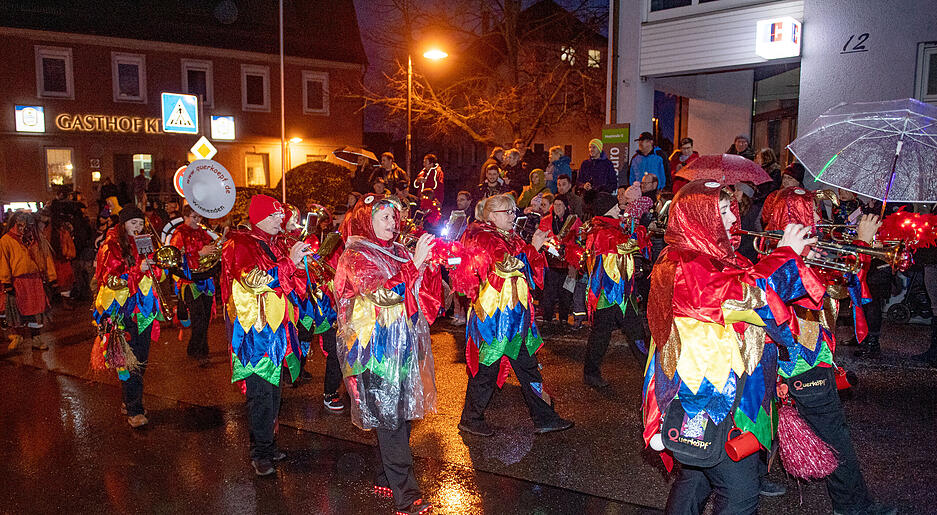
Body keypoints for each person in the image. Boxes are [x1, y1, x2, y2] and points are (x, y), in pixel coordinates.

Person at [642, 180, 824, 515]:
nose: (731, 220)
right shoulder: (683, 261)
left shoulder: (718, 257)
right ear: (700, 217)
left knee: (696, 478)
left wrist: (799, 263)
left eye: (730, 210)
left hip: (734, 393)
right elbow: (747, 296)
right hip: (713, 397)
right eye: (721, 212)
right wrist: (785, 255)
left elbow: (763, 296)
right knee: (740, 497)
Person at [760, 187, 896, 515]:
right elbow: (832, 286)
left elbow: (839, 286)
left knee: (771, 421)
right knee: (835, 433)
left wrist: (864, 247)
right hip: (802, 361)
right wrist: (862, 243)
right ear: (796, 218)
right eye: (812, 213)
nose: (820, 219)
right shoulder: (792, 258)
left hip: (799, 358)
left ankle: (748, 479)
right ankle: (853, 507)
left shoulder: (783, 252)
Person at [333, 194, 440, 515]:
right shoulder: (356, 254)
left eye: (394, 217)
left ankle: (385, 475)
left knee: (402, 414)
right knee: (391, 416)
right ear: (368, 221)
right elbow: (380, 294)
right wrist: (415, 266)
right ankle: (406, 497)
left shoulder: (398, 251)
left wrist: (432, 267)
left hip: (404, 343)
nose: (393, 223)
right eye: (384, 218)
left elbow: (421, 294)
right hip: (375, 348)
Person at [451, 194, 574, 437]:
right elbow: (505, 266)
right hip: (494, 318)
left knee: (526, 369)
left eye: (513, 211)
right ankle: (471, 418)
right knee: (486, 370)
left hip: (514, 317)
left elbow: (526, 268)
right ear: (491, 216)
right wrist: (533, 248)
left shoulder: (506, 236)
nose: (513, 216)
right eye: (507, 212)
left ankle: (543, 417)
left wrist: (537, 248)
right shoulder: (484, 237)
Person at [220, 194, 314, 476]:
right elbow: (254, 280)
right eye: (273, 216)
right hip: (254, 334)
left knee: (274, 391)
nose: (279, 220)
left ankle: (268, 444)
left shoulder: (271, 243)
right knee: (260, 394)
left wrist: (298, 267)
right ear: (258, 217)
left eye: (279, 216)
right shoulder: (240, 243)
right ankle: (260, 452)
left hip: (277, 330)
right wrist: (290, 263)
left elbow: (288, 284)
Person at [92, 206, 165, 428]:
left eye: (140, 223)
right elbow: (111, 280)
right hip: (120, 310)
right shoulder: (110, 246)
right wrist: (137, 269)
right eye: (133, 223)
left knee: (140, 360)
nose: (138, 227)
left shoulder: (145, 241)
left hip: (143, 309)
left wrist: (157, 266)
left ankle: (129, 400)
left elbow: (157, 276)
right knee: (128, 361)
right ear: (123, 224)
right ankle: (134, 409)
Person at [581, 187, 651, 388]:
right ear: (606, 210)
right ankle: (591, 372)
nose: (618, 209)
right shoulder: (601, 231)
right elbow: (625, 247)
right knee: (602, 334)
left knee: (634, 330)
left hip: (622, 292)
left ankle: (649, 370)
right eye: (615, 207)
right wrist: (639, 230)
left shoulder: (611, 227)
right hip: (608, 293)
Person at [170, 206, 219, 367]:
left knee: (205, 317)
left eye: (199, 217)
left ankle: (197, 347)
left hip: (205, 279)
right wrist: (199, 253)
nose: (197, 220)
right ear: (185, 216)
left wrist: (217, 247)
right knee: (198, 316)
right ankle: (199, 350)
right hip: (189, 282)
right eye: (193, 217)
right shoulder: (179, 233)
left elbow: (210, 251)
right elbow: (175, 257)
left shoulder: (202, 231)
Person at [2, 212, 56, 351]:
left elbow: (46, 258)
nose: (23, 228)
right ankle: (17, 336)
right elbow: (3, 262)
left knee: (36, 311)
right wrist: (6, 282)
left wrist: (51, 277)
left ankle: (36, 340)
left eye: (26, 224)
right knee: (17, 311)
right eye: (20, 225)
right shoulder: (6, 240)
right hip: (18, 281)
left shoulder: (36, 239)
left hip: (35, 280)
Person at [538, 195, 581, 333]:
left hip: (568, 263)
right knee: (549, 293)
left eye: (560, 205)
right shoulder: (546, 221)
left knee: (566, 293)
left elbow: (580, 238)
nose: (557, 207)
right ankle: (547, 319)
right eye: (555, 205)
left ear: (566, 206)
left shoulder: (573, 220)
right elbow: (540, 238)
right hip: (551, 262)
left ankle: (563, 319)